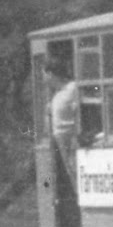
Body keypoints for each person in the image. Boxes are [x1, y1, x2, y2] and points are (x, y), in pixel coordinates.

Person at [44, 57, 79, 186]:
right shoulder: (57, 94)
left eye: (45, 74)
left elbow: (78, 110)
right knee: (70, 171)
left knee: (75, 170)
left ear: (51, 74)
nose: (44, 79)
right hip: (60, 139)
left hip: (71, 138)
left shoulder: (72, 88)